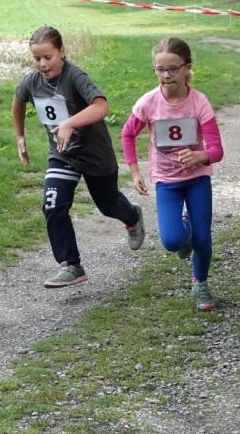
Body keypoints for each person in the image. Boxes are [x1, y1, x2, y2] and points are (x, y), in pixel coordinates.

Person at [12, 26, 145, 288]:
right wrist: (20, 136)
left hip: (95, 153)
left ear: (62, 52)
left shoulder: (74, 76)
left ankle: (132, 217)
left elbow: (102, 106)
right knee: (52, 205)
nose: (42, 64)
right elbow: (18, 101)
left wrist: (70, 123)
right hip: (63, 155)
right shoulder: (31, 82)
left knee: (108, 205)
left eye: (48, 57)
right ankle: (71, 265)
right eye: (37, 58)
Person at [121, 37, 224, 311]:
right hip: (167, 181)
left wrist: (201, 155)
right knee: (172, 240)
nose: (166, 75)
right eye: (160, 69)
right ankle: (185, 228)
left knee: (202, 238)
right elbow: (128, 134)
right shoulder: (149, 103)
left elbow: (217, 149)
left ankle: (201, 283)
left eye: (173, 69)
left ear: (186, 68)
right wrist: (134, 171)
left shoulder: (199, 102)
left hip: (197, 179)